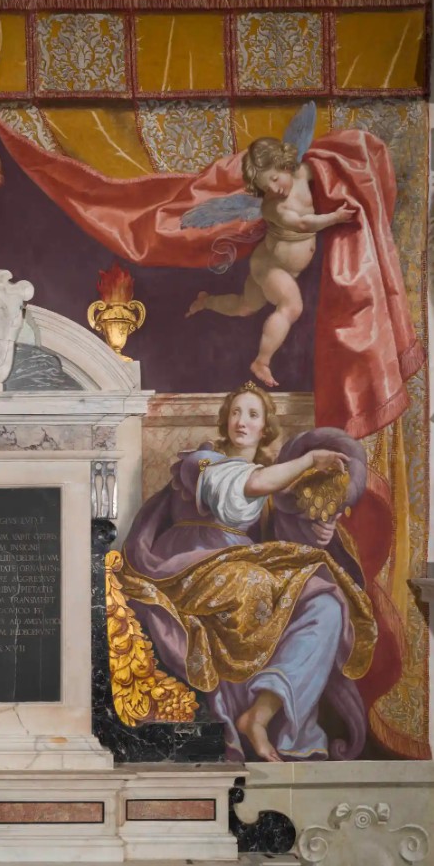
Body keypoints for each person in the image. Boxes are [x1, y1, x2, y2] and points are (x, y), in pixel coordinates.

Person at [120, 382, 378, 761]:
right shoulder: (202, 462)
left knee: (326, 604)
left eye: (253, 415)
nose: (242, 421)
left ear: (265, 427)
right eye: (236, 412)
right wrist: (309, 460)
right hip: (190, 564)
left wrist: (320, 530)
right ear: (226, 421)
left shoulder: (277, 483)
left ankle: (261, 714)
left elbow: (287, 527)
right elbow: (248, 486)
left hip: (245, 563)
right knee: (250, 581)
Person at [186, 137, 356, 388]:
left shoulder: (303, 173)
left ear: (285, 164)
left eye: (275, 179)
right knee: (291, 306)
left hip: (268, 263)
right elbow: (302, 224)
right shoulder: (272, 207)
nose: (274, 189)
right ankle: (261, 361)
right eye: (267, 186)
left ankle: (206, 301)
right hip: (272, 267)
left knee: (245, 306)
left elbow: (327, 168)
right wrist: (335, 218)